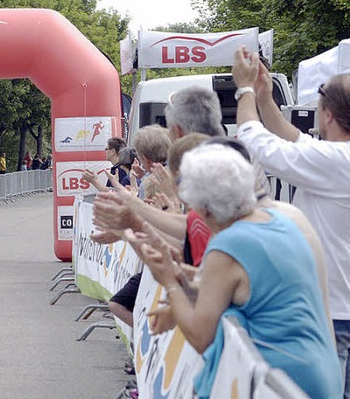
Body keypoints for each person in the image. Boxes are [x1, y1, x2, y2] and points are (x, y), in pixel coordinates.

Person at [127, 144, 341, 398]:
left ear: (205, 208)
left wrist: (169, 283)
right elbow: (238, 289)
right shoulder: (282, 221)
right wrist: (176, 297)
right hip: (321, 370)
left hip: (279, 378)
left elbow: (200, 335)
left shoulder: (229, 244)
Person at [232, 46, 350, 396]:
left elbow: (257, 143)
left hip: (336, 312)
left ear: (327, 114)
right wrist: (266, 99)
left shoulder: (335, 161)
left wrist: (245, 90)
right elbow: (295, 140)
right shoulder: (336, 158)